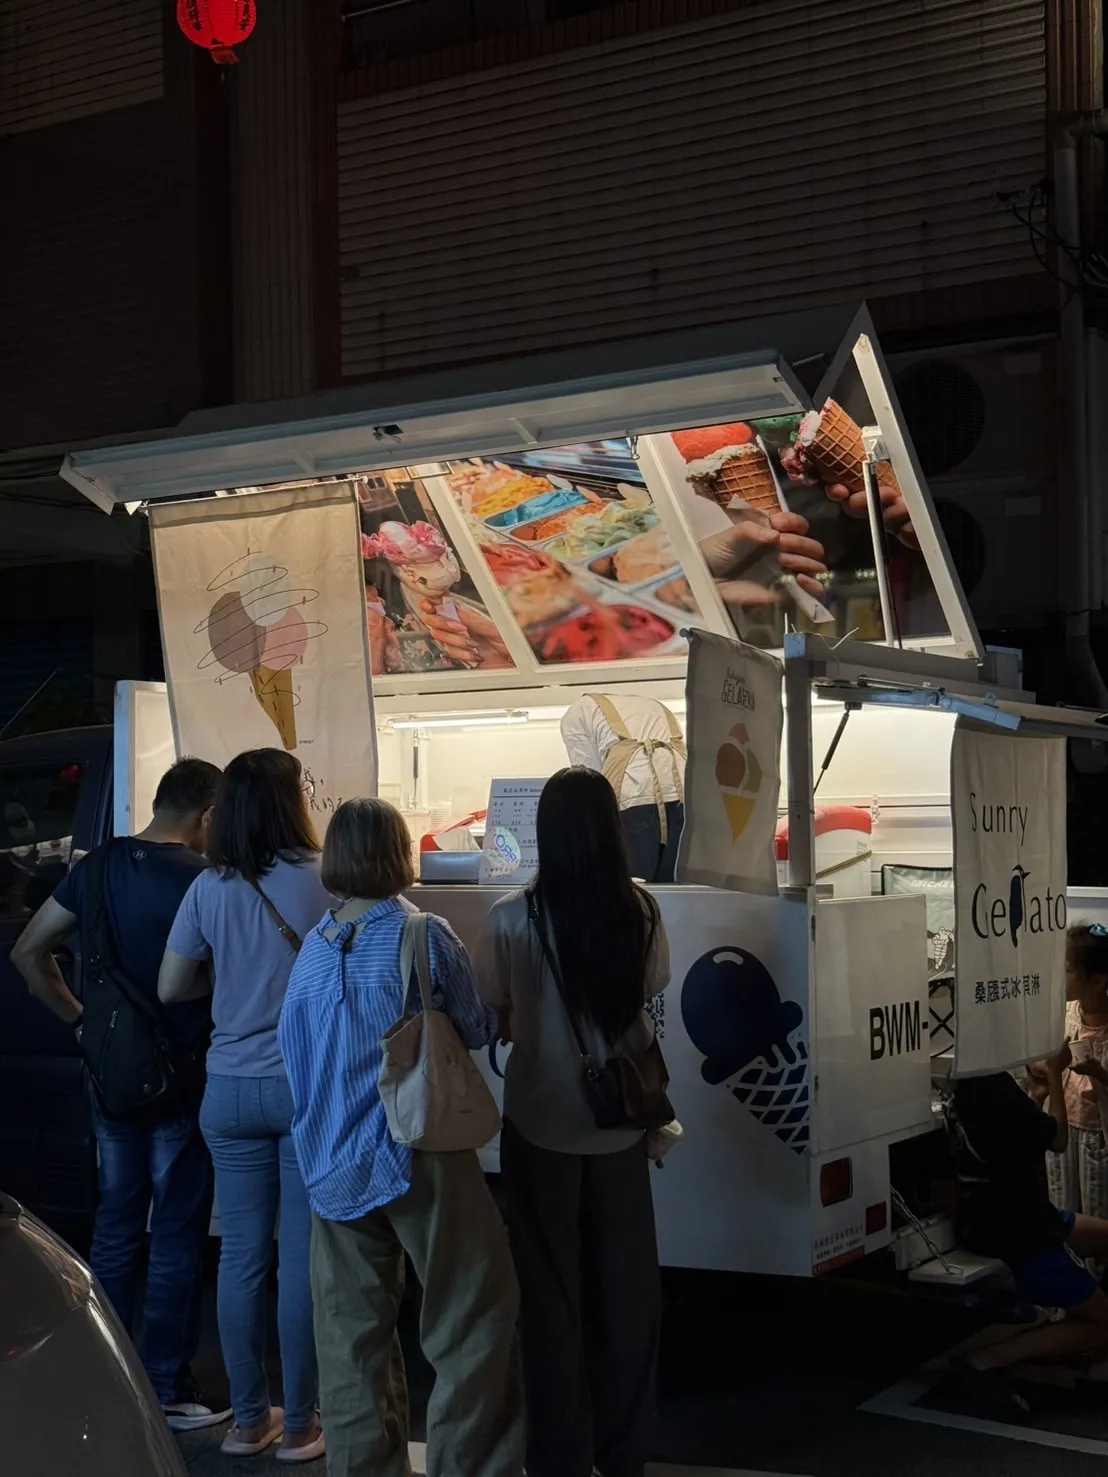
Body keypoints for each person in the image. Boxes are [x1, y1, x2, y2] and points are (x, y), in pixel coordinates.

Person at [278, 796, 523, 1477]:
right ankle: (471, 1465)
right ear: (398, 853)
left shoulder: (311, 951)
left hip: (331, 1165)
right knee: (472, 1317)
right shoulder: (422, 934)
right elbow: (474, 1026)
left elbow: (295, 1057)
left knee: (350, 1342)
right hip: (417, 1150)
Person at [12, 757, 228, 1432]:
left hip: (110, 1076)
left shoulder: (97, 866)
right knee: (175, 1231)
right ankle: (164, 1384)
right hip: (180, 1076)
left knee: (115, 1223)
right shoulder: (205, 880)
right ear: (208, 814)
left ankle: (99, 1373)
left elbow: (27, 953)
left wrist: (79, 1020)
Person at [475, 766, 671, 1477]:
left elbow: (491, 1003)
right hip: (619, 1124)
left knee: (548, 1299)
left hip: (537, 1122)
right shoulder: (640, 910)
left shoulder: (510, 917)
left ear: (545, 833)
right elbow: (652, 986)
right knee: (626, 1296)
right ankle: (624, 1453)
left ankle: (559, 1455)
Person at [158, 749, 331, 1462]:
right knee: (300, 1260)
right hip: (302, 1088)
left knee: (240, 1258)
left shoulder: (211, 885)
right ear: (294, 801)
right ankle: (302, 1426)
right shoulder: (327, 878)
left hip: (227, 1087)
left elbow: (172, 986)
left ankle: (248, 1421)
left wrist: (227, 986)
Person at [948, 1057, 1108, 1415]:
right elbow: (1059, 1139)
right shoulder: (995, 1091)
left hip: (1016, 1216)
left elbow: (1017, 1138)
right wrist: (1055, 1073)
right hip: (1021, 1232)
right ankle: (983, 1360)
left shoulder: (974, 1084)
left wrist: (1037, 1095)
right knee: (1104, 1324)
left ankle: (1071, 1336)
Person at [561, 693, 686, 883]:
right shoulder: (653, 705)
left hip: (634, 794)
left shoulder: (576, 713)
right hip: (684, 791)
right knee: (676, 885)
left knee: (631, 887)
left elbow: (588, 781)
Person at [1038, 924, 1108, 1258]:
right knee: (1060, 1212)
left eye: (1067, 971)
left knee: (1097, 1217)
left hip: (1098, 1135)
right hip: (1062, 1127)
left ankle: (1095, 1285)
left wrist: (1099, 1075)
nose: (1059, 977)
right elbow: (1041, 1064)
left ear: (1097, 980)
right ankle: (1065, 1283)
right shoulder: (1064, 1015)